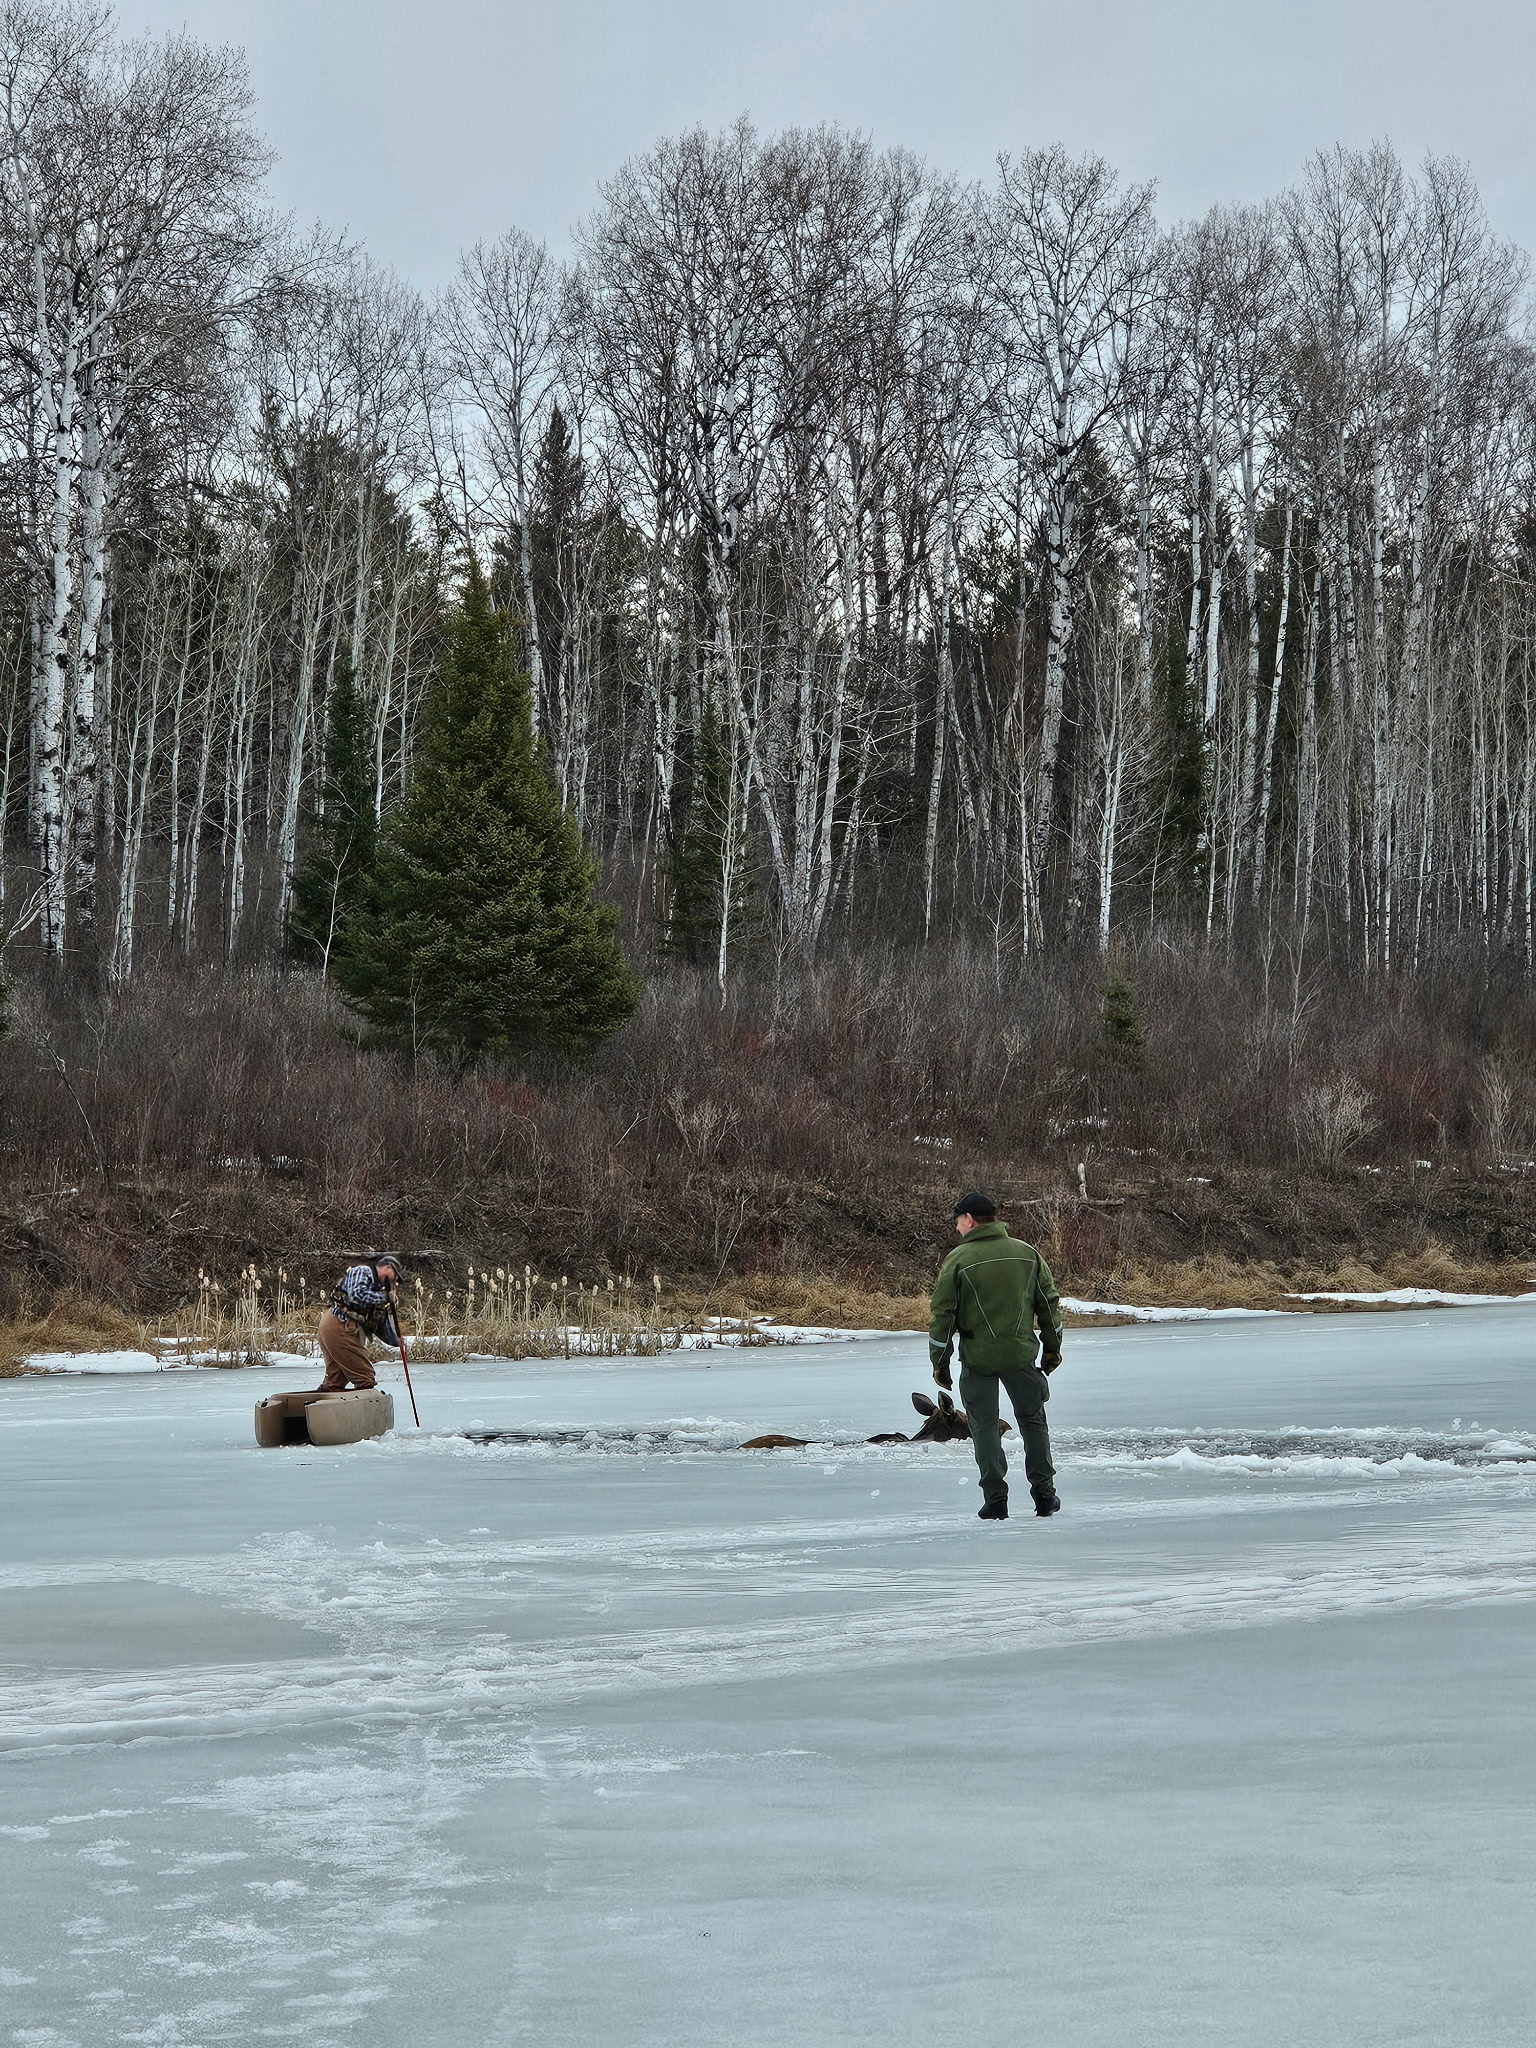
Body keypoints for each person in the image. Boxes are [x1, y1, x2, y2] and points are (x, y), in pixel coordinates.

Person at [929, 1192, 1063, 1521]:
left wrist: (940, 1362)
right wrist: (1052, 1349)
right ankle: (1045, 1495)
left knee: (984, 1428)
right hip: (1020, 1355)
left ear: (969, 1219)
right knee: (1033, 1423)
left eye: (957, 1219)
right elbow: (1049, 1305)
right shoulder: (1027, 1254)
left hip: (978, 1360)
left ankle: (995, 1500)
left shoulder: (958, 1260)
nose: (956, 1226)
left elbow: (942, 1315)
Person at [315, 1255, 403, 1393]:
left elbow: (380, 1326)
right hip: (340, 1325)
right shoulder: (364, 1271)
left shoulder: (377, 1292)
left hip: (337, 1328)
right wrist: (385, 1297)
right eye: (395, 1277)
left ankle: (320, 1408)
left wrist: (397, 1340)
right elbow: (357, 1295)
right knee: (364, 1377)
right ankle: (368, 1410)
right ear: (388, 1267)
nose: (395, 1282)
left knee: (336, 1379)